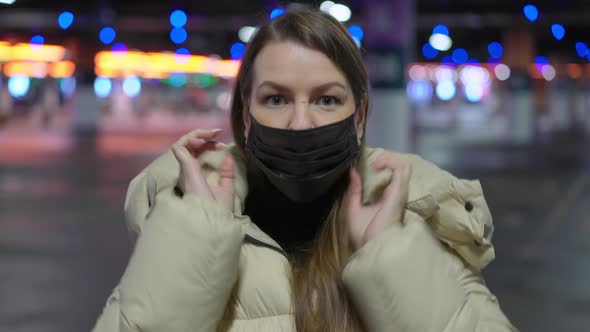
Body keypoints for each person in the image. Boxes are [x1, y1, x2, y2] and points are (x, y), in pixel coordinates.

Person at [92, 7, 517, 332]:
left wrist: (390, 254)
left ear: (360, 115)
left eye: (327, 99)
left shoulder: (416, 225)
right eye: (276, 100)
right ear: (244, 114)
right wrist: (194, 234)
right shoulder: (184, 228)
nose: (300, 123)